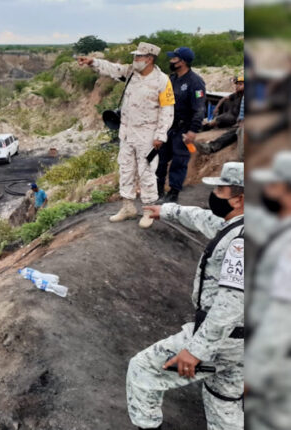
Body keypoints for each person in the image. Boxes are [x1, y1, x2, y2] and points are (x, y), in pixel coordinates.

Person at [128, 162, 245, 430]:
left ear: (239, 199)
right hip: (246, 343)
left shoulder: (241, 242)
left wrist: (196, 350)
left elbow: (231, 303)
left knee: (143, 370)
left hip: (224, 339)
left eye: (221, 191)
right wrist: (166, 211)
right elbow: (203, 218)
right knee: (223, 402)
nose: (214, 196)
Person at [78, 42, 175, 228]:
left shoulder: (162, 81)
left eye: (139, 57)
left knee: (146, 172)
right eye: (135, 56)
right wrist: (92, 62)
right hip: (127, 132)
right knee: (126, 169)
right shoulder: (131, 72)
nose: (135, 59)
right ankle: (128, 206)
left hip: (147, 134)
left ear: (149, 59)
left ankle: (148, 210)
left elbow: (167, 110)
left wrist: (161, 135)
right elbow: (112, 68)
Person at [245, 151, 291, 429]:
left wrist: (253, 373)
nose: (266, 190)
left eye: (272, 185)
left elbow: (281, 317)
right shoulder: (280, 226)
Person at [156, 47, 206, 204]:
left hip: (184, 128)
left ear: (182, 62)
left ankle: (173, 194)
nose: (171, 61)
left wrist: (193, 130)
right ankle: (157, 191)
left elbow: (199, 109)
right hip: (168, 126)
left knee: (179, 161)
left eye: (174, 58)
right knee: (160, 160)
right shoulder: (172, 79)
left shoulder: (195, 82)